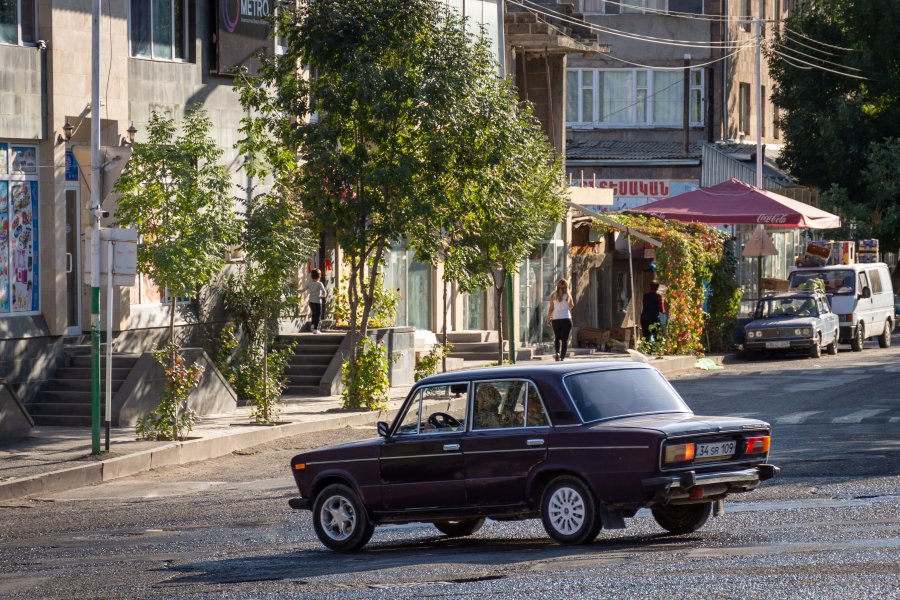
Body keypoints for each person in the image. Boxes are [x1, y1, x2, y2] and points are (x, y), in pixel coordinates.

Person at [547, 278, 574, 361]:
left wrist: (548, 318)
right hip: (566, 319)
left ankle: (557, 352)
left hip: (556, 319)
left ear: (557, 286)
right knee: (565, 339)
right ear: (566, 286)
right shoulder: (568, 295)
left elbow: (551, 308)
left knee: (557, 338)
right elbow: (572, 305)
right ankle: (562, 357)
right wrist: (566, 308)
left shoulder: (553, 295)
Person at [306, 269, 327, 334]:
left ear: (311, 276)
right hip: (317, 302)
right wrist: (322, 296)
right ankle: (315, 329)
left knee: (314, 313)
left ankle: (312, 325)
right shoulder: (319, 284)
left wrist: (296, 290)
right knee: (318, 315)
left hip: (311, 301)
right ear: (319, 276)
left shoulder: (309, 284)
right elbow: (324, 293)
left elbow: (302, 290)